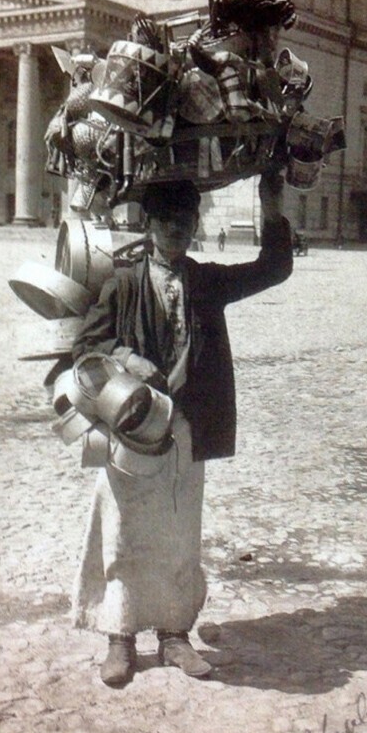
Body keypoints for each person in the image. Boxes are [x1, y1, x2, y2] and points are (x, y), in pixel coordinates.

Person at [69, 172, 293, 687]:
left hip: (188, 427)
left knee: (179, 533)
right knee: (124, 530)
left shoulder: (206, 280)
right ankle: (120, 638)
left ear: (194, 225)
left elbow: (273, 268)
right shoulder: (122, 283)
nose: (177, 229)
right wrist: (124, 356)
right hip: (130, 426)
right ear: (146, 224)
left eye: (186, 221)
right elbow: (85, 350)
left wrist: (272, 207)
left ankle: (174, 635)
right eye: (167, 220)